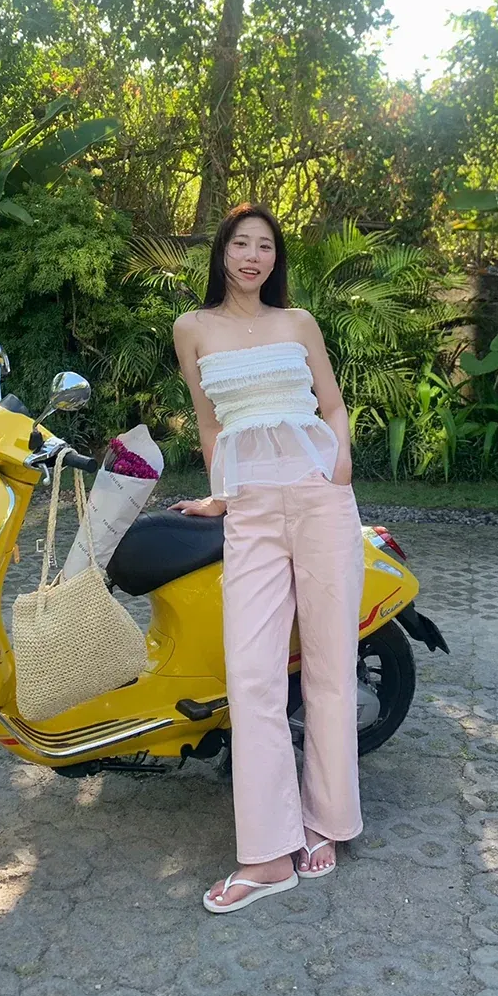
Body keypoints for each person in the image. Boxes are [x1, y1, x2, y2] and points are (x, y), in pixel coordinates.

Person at [171, 203, 364, 914]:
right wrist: (220, 497)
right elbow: (210, 423)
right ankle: (267, 853)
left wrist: (337, 471)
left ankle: (326, 822)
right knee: (252, 675)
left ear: (275, 259)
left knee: (329, 668)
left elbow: (332, 405)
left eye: (265, 246)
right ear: (222, 252)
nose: (253, 256)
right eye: (241, 244)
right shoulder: (192, 328)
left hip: (319, 502)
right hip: (251, 512)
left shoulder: (299, 322)